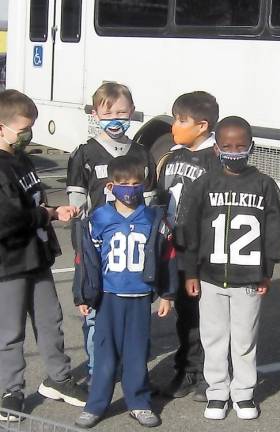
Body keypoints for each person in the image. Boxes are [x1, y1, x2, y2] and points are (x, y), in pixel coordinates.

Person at [178, 116, 280, 421]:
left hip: (249, 278)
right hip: (210, 276)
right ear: (216, 147)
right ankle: (216, 392)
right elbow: (188, 232)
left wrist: (267, 271)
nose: (234, 151)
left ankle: (243, 392)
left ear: (252, 146)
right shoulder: (203, 185)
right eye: (227, 145)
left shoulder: (264, 185)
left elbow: (275, 230)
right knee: (213, 337)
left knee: (244, 339)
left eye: (241, 146)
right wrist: (190, 272)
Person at [0, 89, 87, 421]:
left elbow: (32, 203)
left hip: (37, 258)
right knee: (10, 332)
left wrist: (52, 209)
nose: (28, 135)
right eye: (22, 129)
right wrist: (48, 215)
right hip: (9, 263)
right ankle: (11, 390)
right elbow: (8, 218)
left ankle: (59, 378)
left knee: (51, 319)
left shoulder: (22, 159)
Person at [73, 155, 176, 429]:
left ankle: (139, 402)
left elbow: (166, 257)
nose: (130, 189)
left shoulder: (154, 218)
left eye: (135, 183)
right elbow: (86, 258)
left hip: (140, 296)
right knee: (104, 354)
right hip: (108, 296)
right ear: (111, 185)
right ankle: (96, 404)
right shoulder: (99, 217)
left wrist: (167, 294)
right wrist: (83, 295)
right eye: (124, 183)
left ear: (144, 184)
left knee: (136, 352)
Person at [66, 82, 157, 383]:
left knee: (133, 311)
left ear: (132, 112)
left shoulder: (143, 154)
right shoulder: (84, 154)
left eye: (122, 112)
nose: (116, 119)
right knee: (95, 309)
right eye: (108, 113)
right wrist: (82, 243)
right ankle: (97, 368)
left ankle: (132, 367)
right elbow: (77, 203)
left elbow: (152, 202)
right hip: (97, 247)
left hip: (132, 248)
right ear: (95, 114)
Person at [156, 91, 220, 401]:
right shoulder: (173, 155)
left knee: (208, 316)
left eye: (182, 121)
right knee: (186, 315)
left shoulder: (216, 160)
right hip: (175, 250)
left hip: (203, 253)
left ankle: (212, 373)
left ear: (203, 126)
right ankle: (188, 369)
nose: (174, 126)